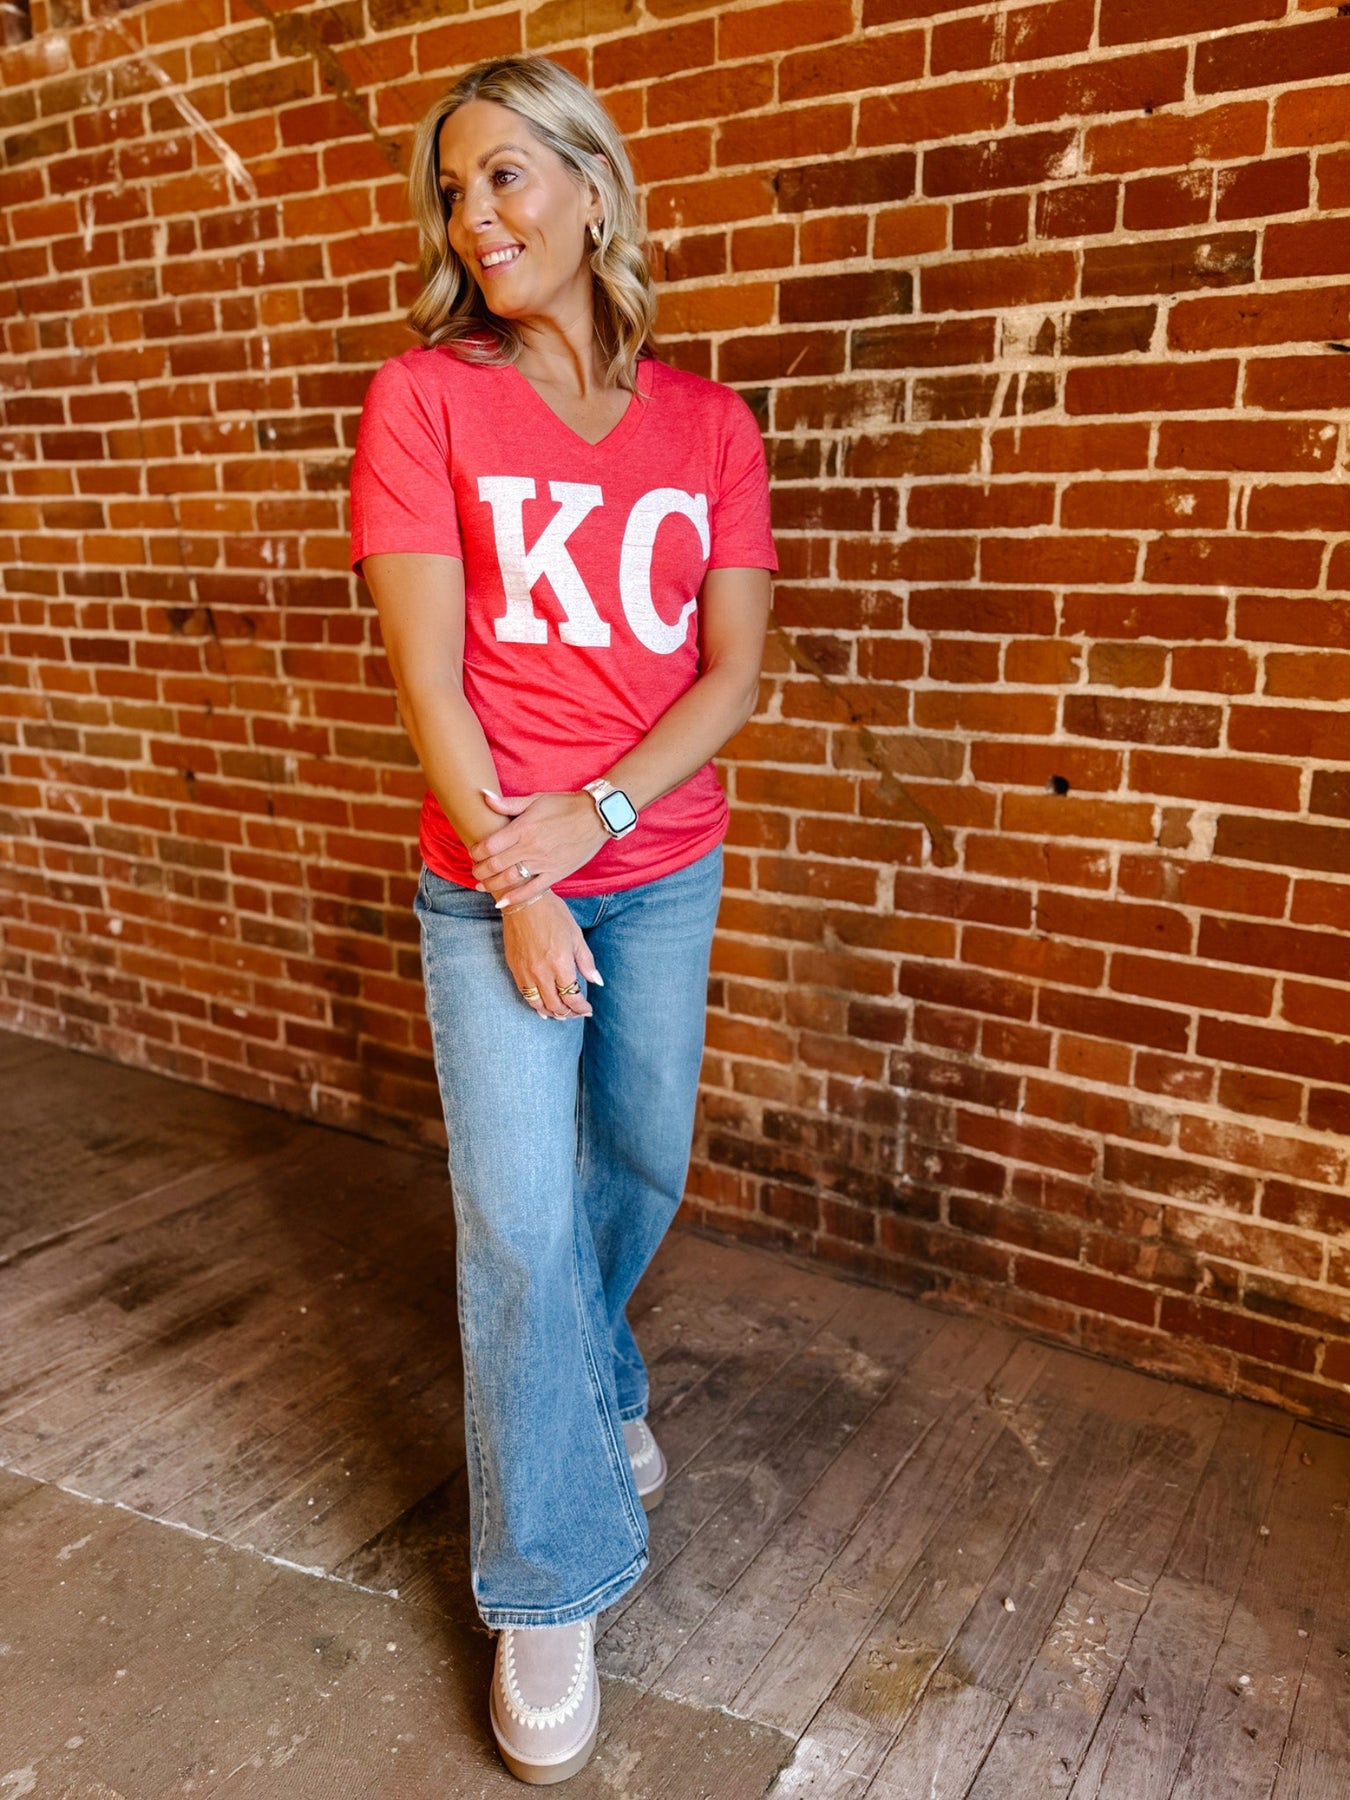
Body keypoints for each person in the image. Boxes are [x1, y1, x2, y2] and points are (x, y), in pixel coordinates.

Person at [347, 52, 776, 1785]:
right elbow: (427, 676)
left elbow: (729, 674)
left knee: (638, 1159)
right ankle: (549, 1580)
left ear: (593, 189)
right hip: (487, 879)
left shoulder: (709, 428)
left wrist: (594, 820)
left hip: (660, 865)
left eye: (507, 174)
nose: (476, 215)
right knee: (519, 1225)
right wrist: (514, 874)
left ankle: (597, 1381)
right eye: (454, 190)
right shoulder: (422, 401)